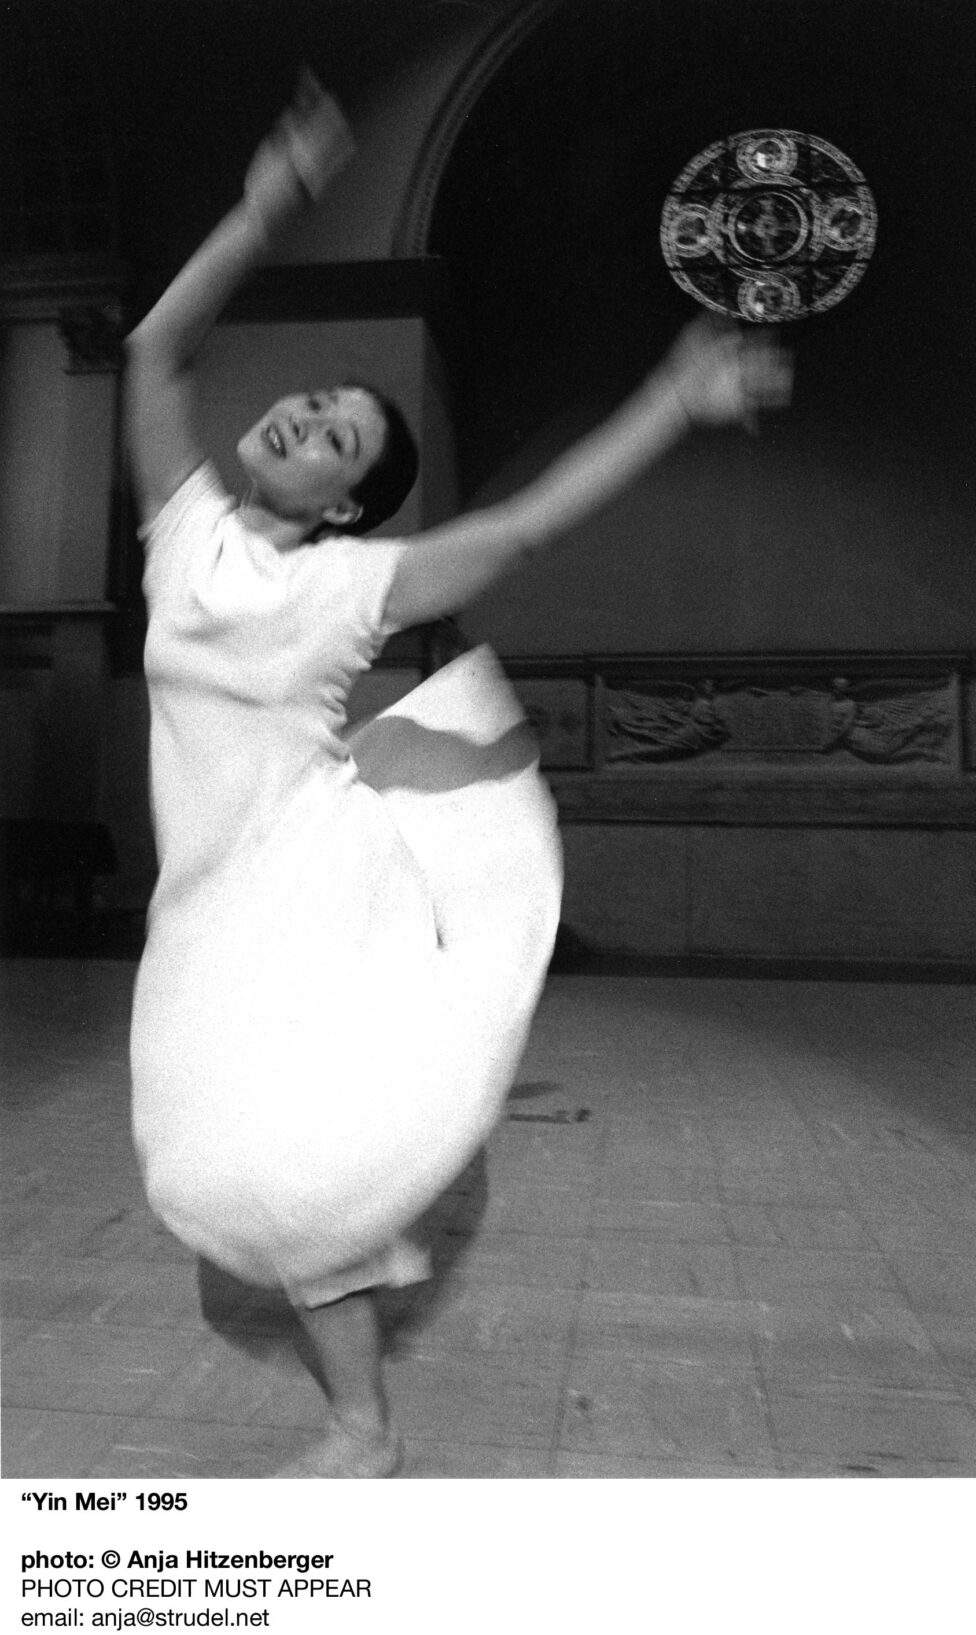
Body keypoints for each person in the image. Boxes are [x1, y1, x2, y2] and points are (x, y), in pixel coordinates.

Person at [126, 70, 791, 1480]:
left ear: (350, 505)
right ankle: (360, 1415)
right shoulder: (181, 534)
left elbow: (526, 528)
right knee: (203, 1146)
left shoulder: (359, 582)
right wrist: (258, 214)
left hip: (304, 885)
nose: (305, 422)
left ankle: (359, 1429)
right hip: (201, 902)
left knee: (295, 1146)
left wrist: (672, 397)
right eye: (308, 408)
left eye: (340, 441)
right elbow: (153, 353)